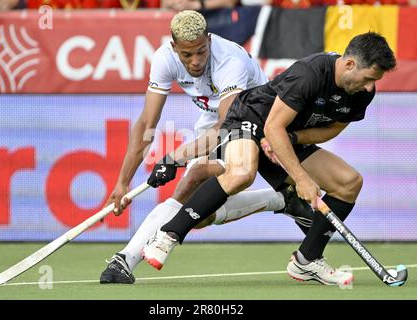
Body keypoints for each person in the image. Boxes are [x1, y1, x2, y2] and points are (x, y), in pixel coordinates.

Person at [142, 32, 396, 285]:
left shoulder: (362, 92)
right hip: (249, 118)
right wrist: (301, 179)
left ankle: (307, 261)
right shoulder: (310, 73)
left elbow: (332, 129)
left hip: (287, 133)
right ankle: (168, 235)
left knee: (349, 182)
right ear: (350, 64)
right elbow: (273, 126)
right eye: (369, 79)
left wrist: (294, 140)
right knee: (242, 173)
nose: (370, 87)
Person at [100, 10, 314, 284]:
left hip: (255, 117)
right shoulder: (164, 58)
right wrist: (122, 182)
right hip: (214, 118)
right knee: (198, 216)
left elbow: (229, 125)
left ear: (209, 40)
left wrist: (176, 157)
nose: (196, 61)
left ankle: (125, 259)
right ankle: (282, 200)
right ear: (174, 47)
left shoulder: (229, 61)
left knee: (194, 179)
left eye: (201, 51)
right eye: (187, 55)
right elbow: (146, 124)